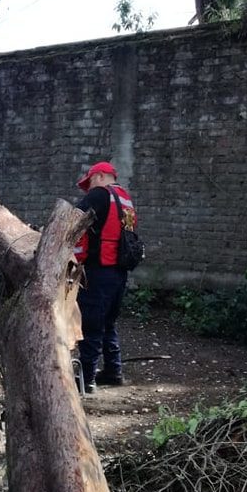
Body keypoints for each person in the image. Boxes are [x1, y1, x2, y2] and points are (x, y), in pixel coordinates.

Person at [74, 161, 137, 394]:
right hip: (120, 272)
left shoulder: (100, 194)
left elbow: (73, 220)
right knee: (108, 322)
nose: (87, 189)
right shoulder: (125, 199)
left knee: (90, 323)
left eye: (89, 182)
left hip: (99, 271)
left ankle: (86, 379)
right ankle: (113, 370)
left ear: (99, 176)